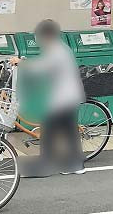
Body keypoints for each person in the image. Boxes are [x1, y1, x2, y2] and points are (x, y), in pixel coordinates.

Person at [10, 20, 85, 176]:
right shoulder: (59, 48)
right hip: (71, 96)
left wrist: (20, 62)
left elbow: (41, 67)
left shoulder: (57, 51)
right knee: (70, 131)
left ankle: (46, 165)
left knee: (48, 131)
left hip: (63, 98)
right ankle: (76, 164)